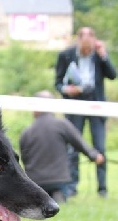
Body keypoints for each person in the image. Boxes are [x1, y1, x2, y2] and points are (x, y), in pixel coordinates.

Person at [55, 26, 116, 197]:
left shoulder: (98, 55)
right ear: (79, 41)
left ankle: (102, 188)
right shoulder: (66, 55)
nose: (88, 50)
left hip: (96, 105)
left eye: (90, 47)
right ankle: (73, 186)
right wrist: (67, 90)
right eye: (85, 47)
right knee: (74, 147)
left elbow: (112, 75)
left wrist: (104, 56)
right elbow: (58, 83)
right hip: (75, 104)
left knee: (100, 147)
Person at [19, 91, 104, 204]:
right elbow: (80, 144)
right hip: (59, 182)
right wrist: (95, 156)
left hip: (36, 183)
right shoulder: (62, 125)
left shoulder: (26, 132)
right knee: (58, 203)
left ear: (35, 108)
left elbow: (25, 159)